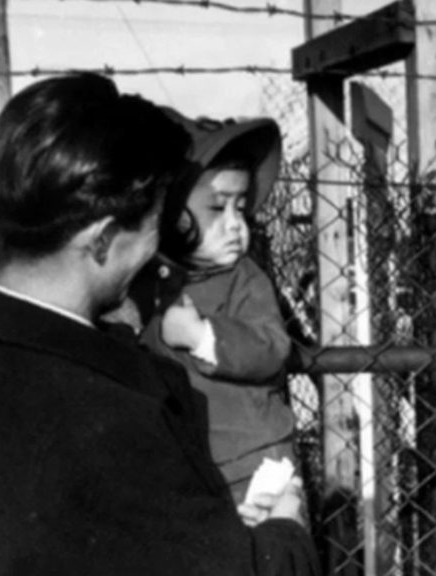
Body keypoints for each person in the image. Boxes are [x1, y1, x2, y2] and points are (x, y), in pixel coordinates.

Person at [0, 73, 316, 576]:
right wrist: (286, 533)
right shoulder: (110, 418)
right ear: (103, 239)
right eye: (155, 224)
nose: (160, 245)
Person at [128, 108, 298, 505]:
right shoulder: (142, 277)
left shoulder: (245, 278)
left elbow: (273, 347)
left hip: (252, 463)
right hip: (183, 461)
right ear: (171, 210)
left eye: (241, 207)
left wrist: (204, 337)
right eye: (218, 208)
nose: (237, 224)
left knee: (265, 540)